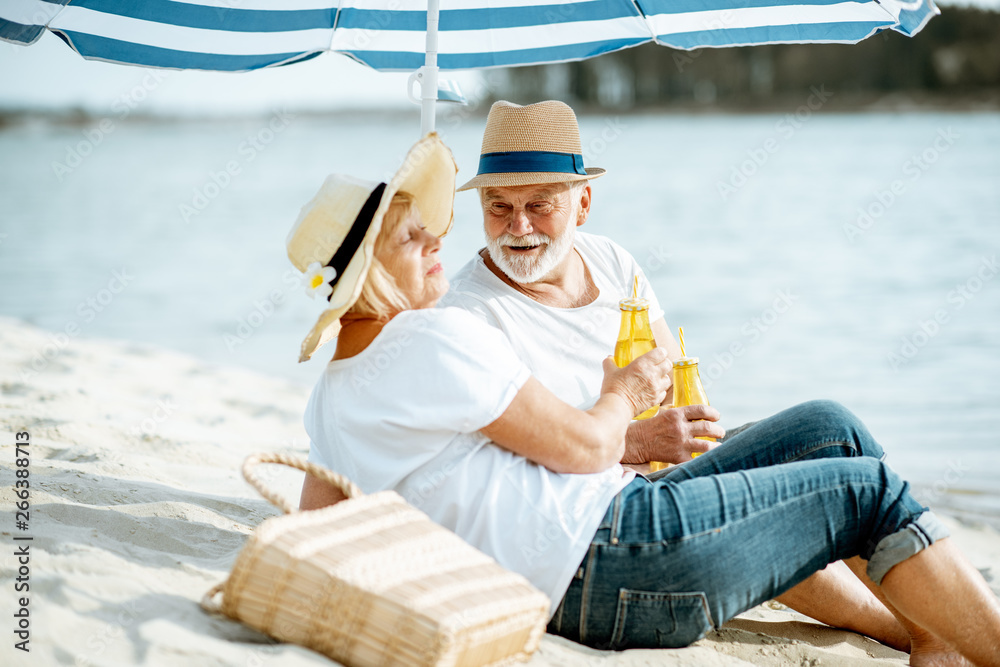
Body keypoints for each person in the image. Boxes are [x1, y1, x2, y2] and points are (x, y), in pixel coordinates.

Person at [288, 134, 1000, 666]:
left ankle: (935, 634)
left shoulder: (334, 389)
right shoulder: (432, 339)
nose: (435, 239)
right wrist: (622, 392)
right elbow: (586, 447)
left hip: (595, 545)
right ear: (366, 277)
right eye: (409, 238)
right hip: (612, 558)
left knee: (827, 426)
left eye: (426, 225)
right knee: (867, 490)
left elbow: (314, 528)